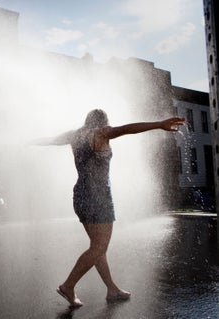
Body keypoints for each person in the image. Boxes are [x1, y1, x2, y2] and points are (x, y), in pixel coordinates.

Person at [32, 109, 185, 307]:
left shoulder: (74, 135)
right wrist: (158, 124)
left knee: (98, 247)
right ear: (103, 122)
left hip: (80, 195)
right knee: (99, 247)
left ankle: (112, 289)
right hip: (98, 198)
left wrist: (29, 141)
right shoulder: (101, 133)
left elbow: (51, 140)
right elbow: (126, 129)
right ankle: (68, 286)